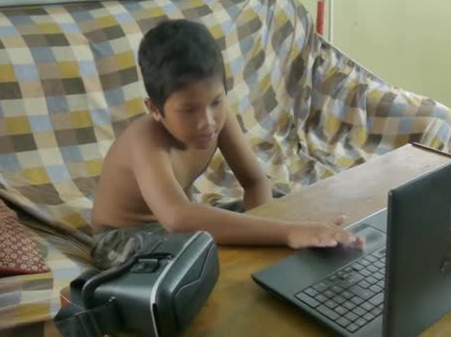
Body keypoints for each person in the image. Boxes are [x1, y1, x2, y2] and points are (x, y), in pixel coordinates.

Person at [90, 19, 363, 269]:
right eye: (188, 110)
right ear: (155, 109)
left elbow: (255, 183)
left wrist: (270, 228)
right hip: (124, 238)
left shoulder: (218, 119)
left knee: (281, 203)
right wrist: (286, 233)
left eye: (216, 102)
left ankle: (317, 246)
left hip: (181, 224)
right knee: (191, 257)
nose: (207, 121)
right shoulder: (145, 139)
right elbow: (178, 218)